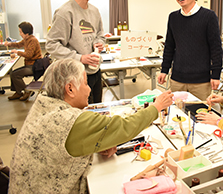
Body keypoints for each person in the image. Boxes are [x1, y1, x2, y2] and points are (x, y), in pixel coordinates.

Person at [9, 58, 174, 193]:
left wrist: (97, 142)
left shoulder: (43, 103)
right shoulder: (72, 120)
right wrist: (156, 107)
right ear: (70, 89)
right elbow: (124, 126)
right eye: (86, 83)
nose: (89, 90)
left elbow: (64, 146)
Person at [46, 0, 105, 104]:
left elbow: (101, 35)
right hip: (75, 77)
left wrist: (99, 43)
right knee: (83, 117)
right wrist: (80, 58)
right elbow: (51, 44)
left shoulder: (95, 11)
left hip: (95, 72)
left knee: (97, 110)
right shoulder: (65, 12)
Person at [157, 0, 223, 101]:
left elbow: (216, 48)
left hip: (201, 81)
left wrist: (216, 74)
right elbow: (169, 46)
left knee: (200, 114)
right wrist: (164, 70)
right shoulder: (173, 17)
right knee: (177, 115)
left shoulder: (209, 16)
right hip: (177, 79)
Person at [4, 22, 42, 101]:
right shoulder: (26, 39)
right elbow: (18, 44)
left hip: (34, 66)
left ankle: (27, 91)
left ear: (26, 33)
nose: (20, 34)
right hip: (30, 65)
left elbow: (29, 55)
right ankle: (18, 92)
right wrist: (9, 44)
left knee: (15, 75)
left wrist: (17, 52)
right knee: (12, 73)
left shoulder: (33, 40)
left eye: (21, 32)